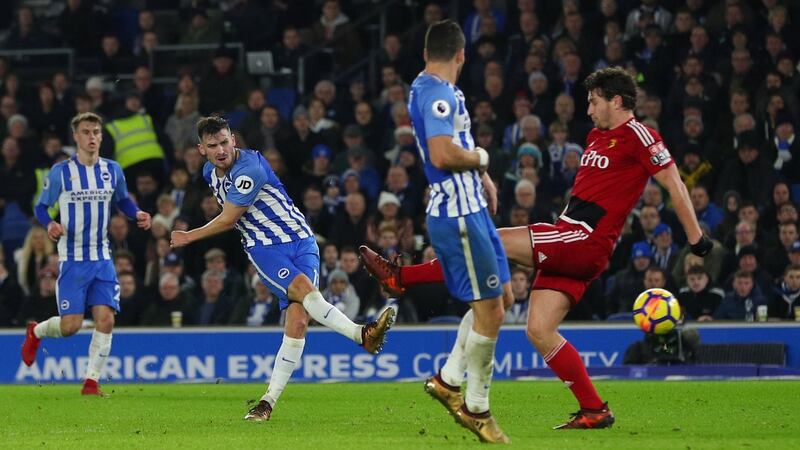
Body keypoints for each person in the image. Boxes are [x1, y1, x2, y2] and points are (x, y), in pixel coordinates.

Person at [361, 66, 713, 429]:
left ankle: (400, 278)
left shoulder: (640, 135)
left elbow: (674, 184)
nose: (589, 111)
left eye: (594, 102)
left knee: (488, 240)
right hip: (570, 236)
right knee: (539, 331)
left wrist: (696, 239)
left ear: (617, 101)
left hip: (584, 239)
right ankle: (594, 409)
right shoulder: (596, 136)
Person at [169, 116, 394, 422]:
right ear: (201, 149)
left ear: (234, 139)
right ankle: (361, 334)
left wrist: (187, 236)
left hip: (302, 240)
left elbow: (229, 218)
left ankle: (267, 403)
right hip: (265, 248)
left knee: (299, 322)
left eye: (224, 142)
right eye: (213, 145)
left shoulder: (250, 168)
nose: (220, 149)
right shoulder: (211, 172)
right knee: (305, 296)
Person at [399, 20, 512, 443]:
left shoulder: (431, 89)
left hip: (474, 207)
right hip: (458, 214)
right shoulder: (438, 95)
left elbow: (452, 144)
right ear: (461, 55)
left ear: (428, 53)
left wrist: (481, 174)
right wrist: (482, 157)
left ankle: (448, 379)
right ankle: (477, 408)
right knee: (493, 312)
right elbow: (443, 153)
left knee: (503, 298)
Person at [20, 112, 152, 396]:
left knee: (106, 318)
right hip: (72, 260)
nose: (92, 137)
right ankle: (36, 331)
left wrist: (137, 213)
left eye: (96, 132)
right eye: (86, 132)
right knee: (71, 326)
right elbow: (41, 207)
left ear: (101, 136)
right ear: (76, 137)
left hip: (102, 258)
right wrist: (50, 224)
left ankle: (91, 382)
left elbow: (122, 200)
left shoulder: (113, 169)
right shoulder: (61, 172)